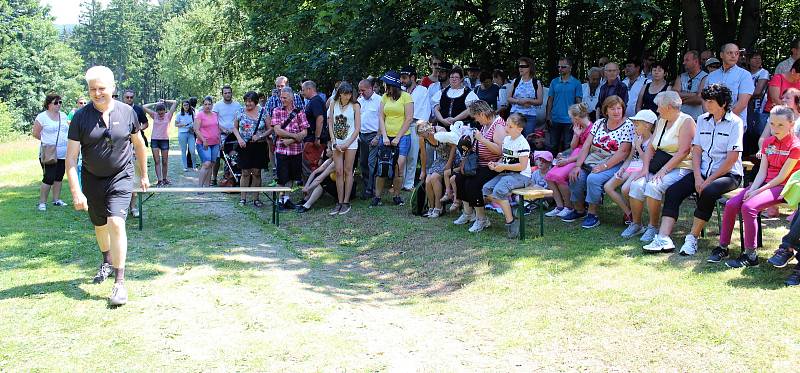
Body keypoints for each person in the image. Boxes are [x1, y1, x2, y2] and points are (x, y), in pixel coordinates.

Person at [66, 66, 150, 306]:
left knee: (116, 222)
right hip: (92, 178)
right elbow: (71, 158)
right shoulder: (81, 117)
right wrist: (76, 190)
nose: (97, 93)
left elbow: (139, 145)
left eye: (102, 88)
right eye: (92, 89)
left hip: (121, 175)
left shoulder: (127, 112)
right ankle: (106, 260)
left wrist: (143, 175)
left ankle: (120, 283)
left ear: (113, 88)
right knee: (100, 224)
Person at [644, 84, 744, 256]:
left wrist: (708, 180)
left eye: (710, 101)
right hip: (702, 171)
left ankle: (692, 238)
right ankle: (663, 237)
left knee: (709, 191)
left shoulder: (735, 122)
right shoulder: (703, 119)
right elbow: (696, 151)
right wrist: (698, 177)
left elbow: (731, 159)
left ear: (723, 103)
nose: (706, 104)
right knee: (674, 190)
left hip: (728, 174)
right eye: (705, 101)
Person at [712, 106, 800, 268]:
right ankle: (723, 247)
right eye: (772, 124)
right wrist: (752, 189)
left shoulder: (796, 146)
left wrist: (757, 192)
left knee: (749, 207)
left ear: (791, 124)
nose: (775, 129)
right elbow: (762, 172)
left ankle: (750, 256)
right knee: (731, 205)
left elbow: (782, 176)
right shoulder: (768, 142)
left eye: (780, 125)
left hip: (784, 186)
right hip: (765, 184)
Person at [626, 92, 696, 241]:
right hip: (659, 164)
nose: (657, 110)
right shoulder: (662, 120)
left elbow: (684, 151)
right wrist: (645, 168)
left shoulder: (686, 121)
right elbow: (651, 146)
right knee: (636, 185)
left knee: (653, 186)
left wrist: (664, 171)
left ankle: (653, 226)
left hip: (681, 167)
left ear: (669, 107)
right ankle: (636, 224)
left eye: (659, 106)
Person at [563, 95, 634, 228]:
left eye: (619, 108)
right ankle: (579, 210)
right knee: (575, 176)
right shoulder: (600, 123)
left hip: (615, 161)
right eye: (612, 109)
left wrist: (604, 166)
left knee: (593, 179)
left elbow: (623, 152)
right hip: (593, 159)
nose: (616, 111)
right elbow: (586, 146)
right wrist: (577, 166)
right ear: (605, 111)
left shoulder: (628, 125)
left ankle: (592, 214)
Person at [453, 100, 507, 232]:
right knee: (459, 178)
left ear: (482, 114)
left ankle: (482, 219)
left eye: (476, 117)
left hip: (493, 166)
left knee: (473, 183)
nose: (476, 120)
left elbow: (501, 150)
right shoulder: (486, 124)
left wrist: (481, 139)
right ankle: (468, 214)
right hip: (481, 163)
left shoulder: (498, 125)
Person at [482, 114, 532, 238]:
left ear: (519, 129)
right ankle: (513, 209)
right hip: (508, 173)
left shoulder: (522, 143)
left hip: (522, 176)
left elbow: (522, 166)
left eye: (510, 126)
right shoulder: (507, 139)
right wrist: (496, 164)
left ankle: (511, 223)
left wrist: (503, 167)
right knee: (486, 189)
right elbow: (505, 159)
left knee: (499, 190)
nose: (506, 128)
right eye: (506, 125)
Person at [604, 110, 655, 227]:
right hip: (631, 166)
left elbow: (646, 160)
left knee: (625, 189)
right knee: (608, 187)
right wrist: (622, 169)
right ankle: (630, 213)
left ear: (647, 125)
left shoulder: (652, 140)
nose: (634, 127)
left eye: (637, 124)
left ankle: (635, 218)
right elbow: (630, 158)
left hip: (641, 167)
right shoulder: (636, 137)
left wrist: (638, 146)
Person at [373, 70, 414, 207]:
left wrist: (397, 137)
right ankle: (377, 197)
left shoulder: (406, 97)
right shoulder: (384, 97)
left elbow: (409, 119)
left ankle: (396, 195)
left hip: (402, 137)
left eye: (387, 84)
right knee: (382, 167)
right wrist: (384, 135)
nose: (385, 87)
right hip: (386, 136)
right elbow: (381, 116)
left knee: (399, 167)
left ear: (392, 85)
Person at [544, 103, 593, 218]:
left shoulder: (592, 129)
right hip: (573, 154)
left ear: (576, 117)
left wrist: (567, 161)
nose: (570, 120)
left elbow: (587, 152)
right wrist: (576, 135)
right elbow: (572, 146)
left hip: (580, 159)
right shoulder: (578, 126)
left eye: (571, 117)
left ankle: (569, 206)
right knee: (550, 176)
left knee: (559, 177)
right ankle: (559, 206)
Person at [272, 87, 309, 210]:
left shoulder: (299, 112)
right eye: (281, 97)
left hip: (296, 150)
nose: (282, 100)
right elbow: (277, 130)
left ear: (292, 98)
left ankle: (286, 199)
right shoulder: (276, 110)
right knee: (281, 178)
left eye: (284, 97)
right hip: (281, 150)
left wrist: (290, 140)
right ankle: (279, 202)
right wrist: (295, 136)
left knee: (292, 177)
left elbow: (304, 132)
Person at [326, 82, 361, 215]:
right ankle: (339, 201)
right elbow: (330, 123)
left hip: (350, 143)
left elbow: (357, 127)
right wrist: (334, 141)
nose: (347, 96)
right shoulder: (333, 104)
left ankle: (346, 202)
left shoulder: (355, 106)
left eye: (349, 94)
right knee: (338, 172)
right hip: (337, 142)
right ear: (340, 93)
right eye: (345, 94)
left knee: (348, 171)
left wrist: (347, 143)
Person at [700, 43, 754, 127]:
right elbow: (704, 99)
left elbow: (742, 103)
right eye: (730, 53)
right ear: (721, 55)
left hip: (734, 124)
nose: (733, 56)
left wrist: (723, 119)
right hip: (711, 123)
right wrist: (711, 116)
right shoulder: (711, 76)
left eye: (736, 53)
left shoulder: (745, 75)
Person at [32, 93, 69, 211]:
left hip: (63, 153)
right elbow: (36, 133)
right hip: (49, 153)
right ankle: (42, 202)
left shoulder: (63, 115)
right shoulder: (42, 117)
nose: (59, 105)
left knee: (59, 177)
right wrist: (48, 143)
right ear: (48, 104)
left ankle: (56, 199)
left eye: (60, 102)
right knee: (49, 177)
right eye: (56, 103)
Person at [232, 91, 269, 207]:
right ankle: (243, 198)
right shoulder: (240, 111)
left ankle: (256, 198)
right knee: (245, 171)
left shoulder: (263, 111)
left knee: (257, 172)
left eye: (250, 102)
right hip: (244, 145)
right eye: (246, 101)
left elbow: (271, 128)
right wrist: (239, 139)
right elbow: (234, 128)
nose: (248, 104)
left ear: (256, 102)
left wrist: (260, 136)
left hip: (259, 145)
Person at [417, 121, 458, 218]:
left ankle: (438, 207)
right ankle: (431, 207)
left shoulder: (440, 131)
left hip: (453, 158)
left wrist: (448, 164)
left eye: (425, 134)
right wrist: (423, 171)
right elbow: (423, 154)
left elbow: (453, 146)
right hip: (441, 159)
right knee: (427, 180)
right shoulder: (422, 137)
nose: (424, 137)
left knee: (434, 178)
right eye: (421, 135)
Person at [400, 66, 430, 191]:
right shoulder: (400, 90)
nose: (402, 80)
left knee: (412, 155)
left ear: (412, 77)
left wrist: (421, 127)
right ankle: (399, 182)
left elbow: (425, 110)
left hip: (415, 125)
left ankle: (408, 183)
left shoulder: (422, 90)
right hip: (400, 125)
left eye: (404, 78)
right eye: (401, 78)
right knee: (401, 154)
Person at [545, 57, 583, 154]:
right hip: (555, 119)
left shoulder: (576, 83)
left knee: (568, 145)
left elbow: (578, 102)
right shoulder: (554, 82)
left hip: (569, 120)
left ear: (570, 68)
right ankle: (550, 166)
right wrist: (548, 116)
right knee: (553, 145)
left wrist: (578, 119)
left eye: (563, 67)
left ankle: (566, 168)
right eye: (559, 67)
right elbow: (550, 100)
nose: (560, 69)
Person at [211, 85, 243, 186]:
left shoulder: (237, 105)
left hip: (234, 135)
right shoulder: (217, 105)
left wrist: (235, 130)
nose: (227, 94)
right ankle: (214, 178)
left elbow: (240, 119)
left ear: (231, 93)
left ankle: (232, 178)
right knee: (217, 157)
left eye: (229, 92)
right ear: (222, 94)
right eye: (225, 93)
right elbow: (214, 120)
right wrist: (223, 129)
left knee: (232, 156)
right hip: (220, 134)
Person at [142, 99, 178, 186]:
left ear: (165, 110)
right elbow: (144, 107)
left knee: (165, 161)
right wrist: (155, 103)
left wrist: (165, 101)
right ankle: (159, 180)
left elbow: (175, 102)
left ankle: (165, 179)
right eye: (159, 112)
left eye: (162, 112)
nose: (161, 114)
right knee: (157, 161)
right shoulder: (154, 115)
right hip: (155, 140)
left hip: (164, 140)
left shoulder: (168, 115)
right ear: (157, 111)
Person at [357, 79, 382, 199]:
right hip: (361, 135)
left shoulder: (380, 100)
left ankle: (370, 190)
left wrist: (378, 136)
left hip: (374, 135)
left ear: (371, 88)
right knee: (363, 162)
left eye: (363, 90)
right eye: (360, 90)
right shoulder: (359, 101)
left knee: (372, 163)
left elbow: (383, 121)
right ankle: (368, 186)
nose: (361, 93)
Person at [507, 57, 544, 135]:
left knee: (528, 139)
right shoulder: (515, 81)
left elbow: (540, 101)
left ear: (530, 68)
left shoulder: (536, 83)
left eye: (523, 66)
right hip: (515, 115)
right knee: (513, 138)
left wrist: (528, 101)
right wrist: (518, 101)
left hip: (530, 116)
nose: (520, 68)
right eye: (519, 66)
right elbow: (509, 98)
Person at [295, 148, 338, 213]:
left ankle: (307, 204)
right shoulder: (329, 160)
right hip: (335, 185)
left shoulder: (335, 162)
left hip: (342, 190)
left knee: (322, 181)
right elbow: (314, 172)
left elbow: (320, 178)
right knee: (317, 175)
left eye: (329, 148)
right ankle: (306, 199)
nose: (326, 150)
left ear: (333, 152)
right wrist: (306, 186)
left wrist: (308, 188)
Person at [301, 80, 329, 179]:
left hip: (313, 140)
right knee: (309, 166)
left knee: (310, 166)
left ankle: (310, 191)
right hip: (311, 138)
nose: (302, 92)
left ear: (309, 89)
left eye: (303, 90)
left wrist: (317, 137)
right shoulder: (314, 101)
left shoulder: (316, 101)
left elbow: (320, 119)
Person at [194, 96, 221, 188]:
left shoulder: (215, 115)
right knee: (206, 164)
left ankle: (207, 186)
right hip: (203, 143)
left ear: (212, 105)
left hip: (215, 143)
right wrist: (204, 140)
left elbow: (218, 128)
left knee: (212, 164)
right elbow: (196, 130)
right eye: (205, 104)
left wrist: (220, 141)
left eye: (209, 104)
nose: (207, 106)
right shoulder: (199, 115)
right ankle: (200, 187)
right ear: (203, 105)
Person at [673, 50, 708, 120]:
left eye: (687, 60)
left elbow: (699, 99)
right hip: (680, 119)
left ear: (695, 61)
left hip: (697, 119)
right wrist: (694, 94)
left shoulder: (706, 77)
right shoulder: (681, 77)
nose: (683, 63)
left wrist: (680, 100)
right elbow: (674, 94)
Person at [748, 52, 770, 135]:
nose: (758, 60)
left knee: (758, 131)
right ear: (748, 61)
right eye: (754, 58)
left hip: (760, 105)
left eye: (759, 58)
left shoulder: (764, 72)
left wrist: (743, 96)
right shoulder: (745, 73)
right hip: (747, 106)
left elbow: (758, 91)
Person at [175, 100, 198, 172]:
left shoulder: (192, 113)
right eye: (184, 105)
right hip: (182, 134)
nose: (186, 106)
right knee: (183, 150)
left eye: (187, 105)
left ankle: (194, 166)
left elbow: (195, 123)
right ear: (182, 106)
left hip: (190, 133)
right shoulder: (179, 114)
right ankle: (185, 167)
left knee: (192, 150)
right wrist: (182, 124)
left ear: (189, 106)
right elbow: (176, 124)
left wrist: (193, 128)